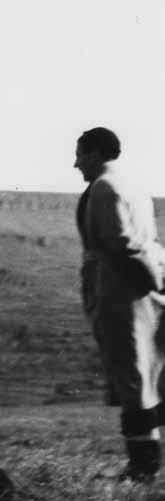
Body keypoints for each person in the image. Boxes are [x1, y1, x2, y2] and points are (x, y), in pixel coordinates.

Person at [75, 126, 165, 482]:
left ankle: (143, 467)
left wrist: (149, 279)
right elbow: (150, 241)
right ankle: (147, 462)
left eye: (80, 154)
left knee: (132, 378)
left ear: (96, 153)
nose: (76, 163)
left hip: (121, 292)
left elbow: (122, 243)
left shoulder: (104, 188)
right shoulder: (134, 188)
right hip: (143, 290)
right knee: (146, 375)